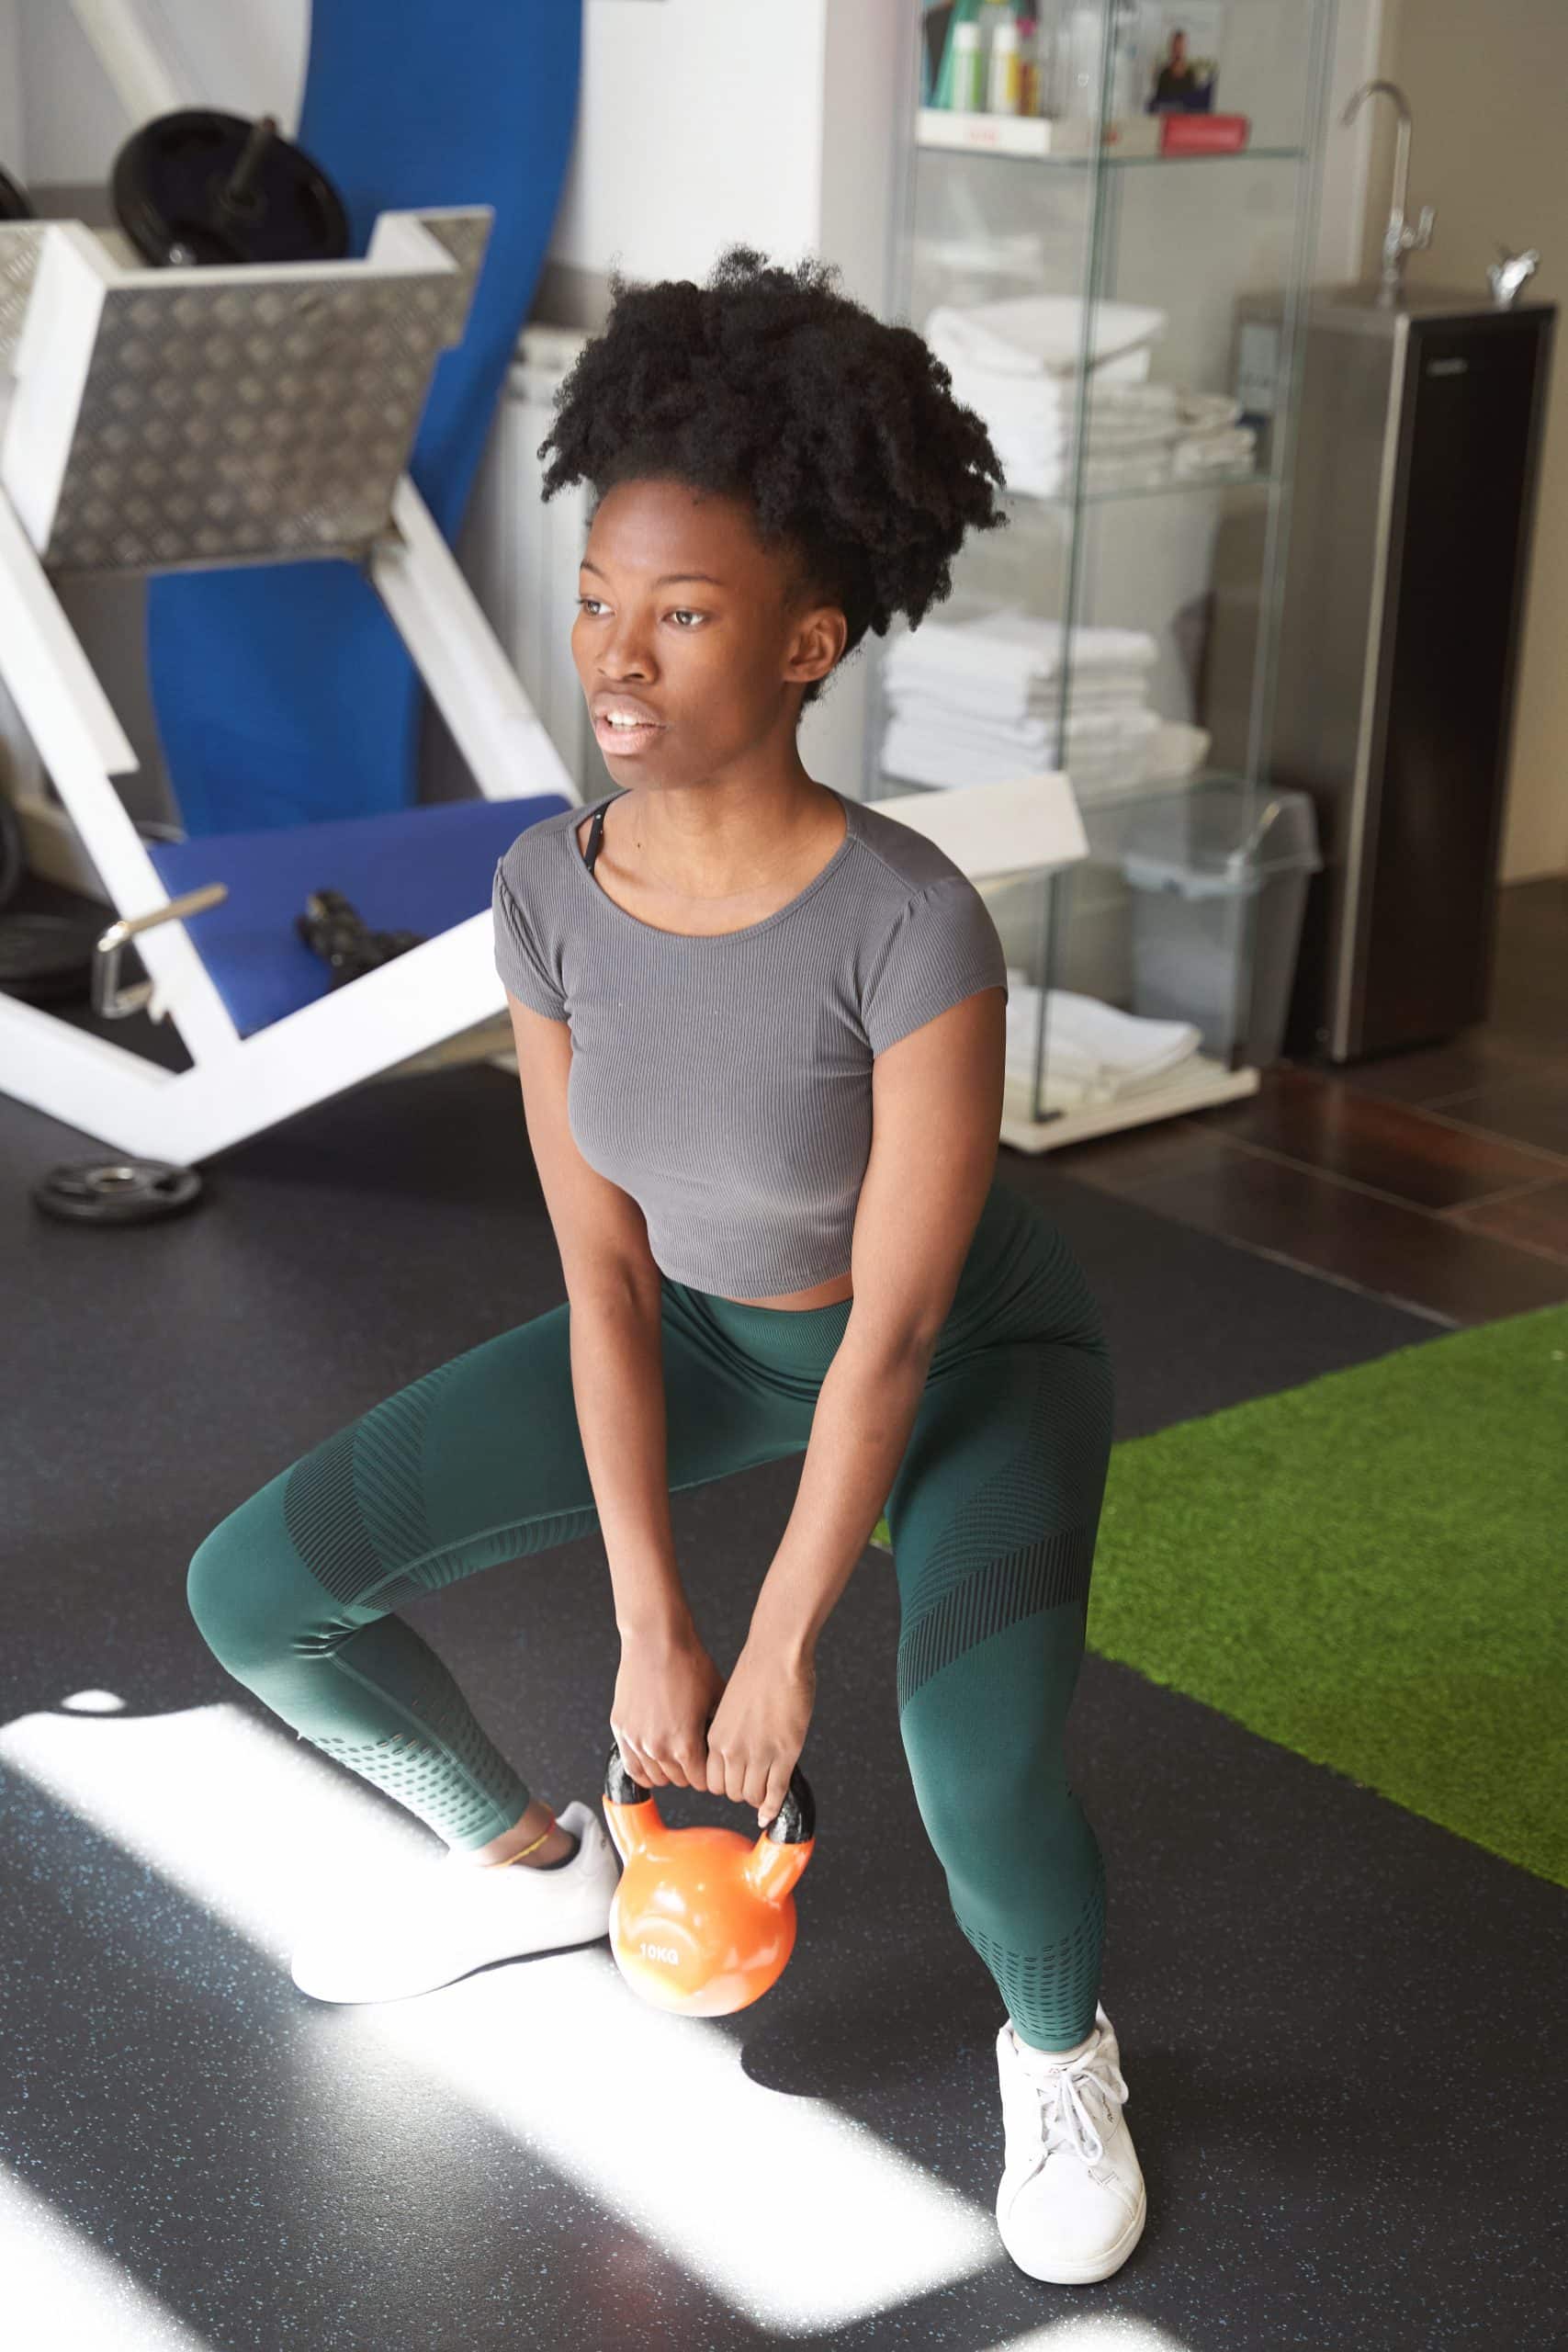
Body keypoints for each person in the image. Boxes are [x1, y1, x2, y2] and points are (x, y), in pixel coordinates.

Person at [186, 244, 1145, 2289]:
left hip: (965, 1362)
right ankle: (525, 1855)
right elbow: (603, 1273)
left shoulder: (908, 925)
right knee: (252, 1590)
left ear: (806, 643)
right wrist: (652, 1623)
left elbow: (892, 1329)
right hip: (702, 1333)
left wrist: (781, 1640)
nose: (615, 656)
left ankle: (1060, 2050)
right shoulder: (549, 887)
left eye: (683, 613)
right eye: (600, 600)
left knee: (965, 1759)